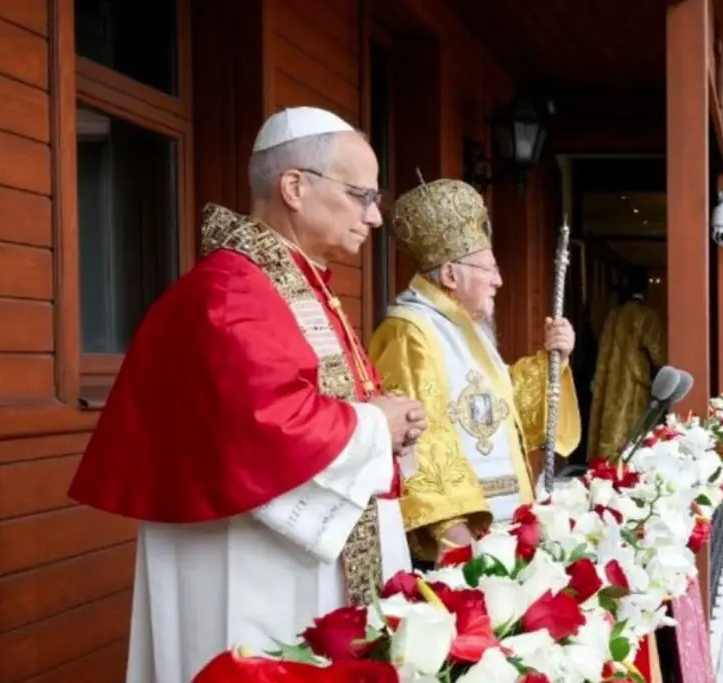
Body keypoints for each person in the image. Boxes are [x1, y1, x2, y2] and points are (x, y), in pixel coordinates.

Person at [67, 107, 426, 683]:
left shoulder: (298, 282)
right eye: (361, 195)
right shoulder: (231, 290)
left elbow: (328, 398)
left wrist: (393, 423)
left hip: (296, 557)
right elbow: (268, 422)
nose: (375, 216)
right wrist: (376, 426)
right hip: (253, 565)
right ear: (294, 187)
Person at [367, 178, 581, 564]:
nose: (499, 281)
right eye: (490, 269)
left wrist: (551, 362)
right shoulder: (410, 332)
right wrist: (456, 544)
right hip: (460, 547)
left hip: (497, 532)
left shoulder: (463, 327)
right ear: (451, 274)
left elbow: (497, 409)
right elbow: (418, 443)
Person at [586, 267, 666, 460]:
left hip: (608, 378)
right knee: (631, 428)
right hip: (634, 379)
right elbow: (658, 352)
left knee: (609, 424)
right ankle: (625, 465)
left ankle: (603, 463)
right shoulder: (646, 316)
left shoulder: (612, 315)